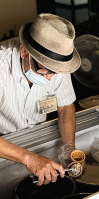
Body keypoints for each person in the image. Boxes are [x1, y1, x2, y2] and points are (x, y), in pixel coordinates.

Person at [0, 13, 84, 186]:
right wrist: (30, 160)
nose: (49, 79)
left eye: (55, 73)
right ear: (24, 51)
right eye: (44, 70)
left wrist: (69, 149)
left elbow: (65, 107)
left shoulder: (57, 65)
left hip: (37, 140)